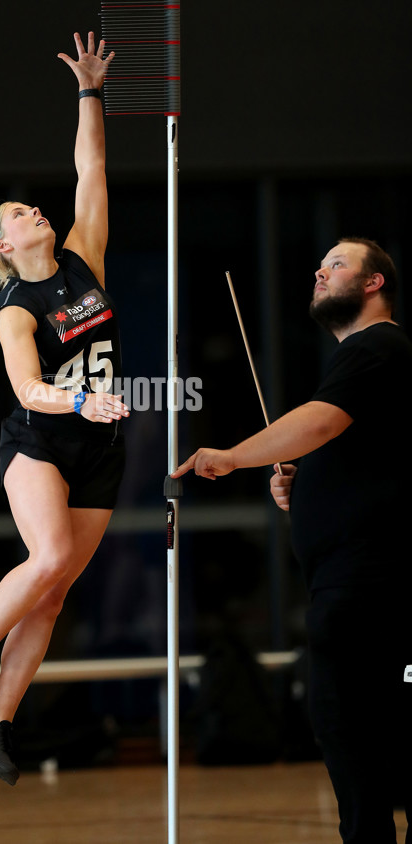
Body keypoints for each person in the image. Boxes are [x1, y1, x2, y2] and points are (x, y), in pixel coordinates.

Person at [0, 31, 130, 786]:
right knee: (44, 560)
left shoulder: (86, 255)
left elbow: (93, 166)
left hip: (100, 448)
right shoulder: (15, 310)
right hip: (40, 442)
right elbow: (27, 390)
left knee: (51, 597)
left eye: (30, 205)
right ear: (3, 246)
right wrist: (80, 397)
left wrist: (88, 90)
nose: (33, 209)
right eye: (18, 212)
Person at [173, 238, 412, 844]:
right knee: (357, 732)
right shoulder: (359, 361)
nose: (319, 270)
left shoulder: (378, 345)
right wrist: (305, 487)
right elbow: (363, 455)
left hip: (371, 581)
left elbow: (321, 420)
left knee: (356, 732)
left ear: (373, 283)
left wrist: (233, 456)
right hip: (355, 579)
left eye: (336, 264)